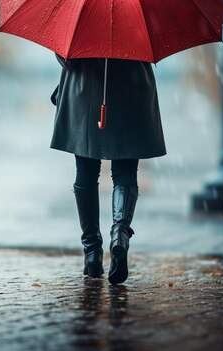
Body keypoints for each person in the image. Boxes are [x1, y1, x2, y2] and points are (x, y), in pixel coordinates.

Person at [51, 55, 166, 285]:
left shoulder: (80, 20)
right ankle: (120, 234)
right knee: (125, 172)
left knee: (86, 173)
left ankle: (92, 252)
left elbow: (65, 55)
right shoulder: (136, 22)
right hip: (131, 83)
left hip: (85, 86)